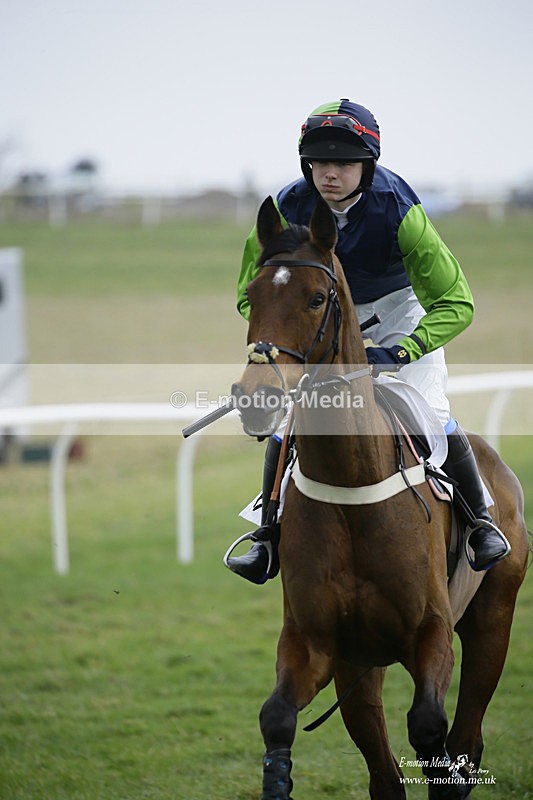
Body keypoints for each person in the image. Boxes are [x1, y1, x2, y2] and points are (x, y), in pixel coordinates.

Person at [225, 98, 511, 584]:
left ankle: (481, 521)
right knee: (288, 424)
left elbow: (457, 302)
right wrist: (289, 350)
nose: (329, 174)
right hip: (322, 323)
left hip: (399, 318)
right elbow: (250, 293)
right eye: (319, 162)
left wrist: (400, 351)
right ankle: (266, 535)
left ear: (367, 166)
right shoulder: (283, 209)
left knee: (429, 412)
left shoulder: (400, 212)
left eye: (343, 163)